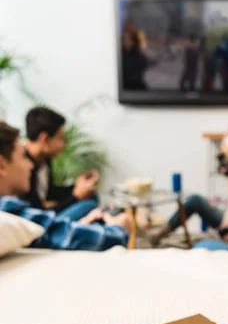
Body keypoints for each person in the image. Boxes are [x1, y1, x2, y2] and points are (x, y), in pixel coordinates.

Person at [0, 122, 131, 251]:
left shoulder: (45, 162)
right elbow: (39, 224)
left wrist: (77, 188)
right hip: (50, 217)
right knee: (90, 206)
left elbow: (49, 197)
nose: (30, 165)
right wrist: (118, 229)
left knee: (91, 199)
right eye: (23, 157)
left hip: (49, 220)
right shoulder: (7, 207)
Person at [24, 106, 99, 221]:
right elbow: (38, 215)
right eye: (60, 139)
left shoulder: (44, 159)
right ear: (45, 139)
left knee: (91, 195)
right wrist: (76, 197)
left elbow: (50, 192)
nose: (64, 145)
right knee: (89, 205)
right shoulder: (24, 167)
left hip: (44, 215)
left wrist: (79, 186)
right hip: (38, 222)